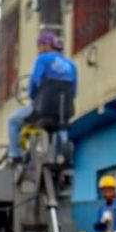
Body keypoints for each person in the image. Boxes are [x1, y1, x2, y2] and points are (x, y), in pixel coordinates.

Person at [7, 31, 78, 163]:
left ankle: (15, 154)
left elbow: (34, 83)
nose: (38, 50)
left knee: (13, 121)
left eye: (39, 46)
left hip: (43, 110)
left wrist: (33, 97)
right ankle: (64, 156)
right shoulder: (71, 65)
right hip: (64, 111)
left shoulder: (42, 60)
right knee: (61, 126)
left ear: (46, 45)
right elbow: (73, 92)